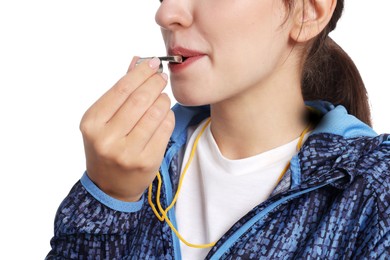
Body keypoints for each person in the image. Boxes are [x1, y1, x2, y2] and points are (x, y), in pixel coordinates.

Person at [46, 0, 389, 259]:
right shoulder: (133, 165)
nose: (166, 14)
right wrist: (109, 200)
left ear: (308, 12)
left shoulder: (374, 189)